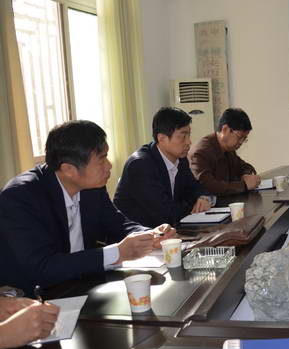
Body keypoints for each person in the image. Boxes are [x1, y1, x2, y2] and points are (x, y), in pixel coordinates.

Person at [0, 121, 175, 296]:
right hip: (33, 296)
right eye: (101, 159)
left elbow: (117, 223)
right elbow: (43, 268)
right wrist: (117, 253)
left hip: (84, 284)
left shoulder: (91, 187)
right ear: (69, 169)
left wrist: (150, 235)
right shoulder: (20, 197)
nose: (109, 165)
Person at [114, 107, 214, 227]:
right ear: (162, 138)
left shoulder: (180, 159)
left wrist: (203, 198)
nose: (189, 142)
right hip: (139, 233)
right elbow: (166, 214)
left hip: (166, 230)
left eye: (189, 135)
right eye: (183, 136)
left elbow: (195, 187)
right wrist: (194, 205)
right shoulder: (140, 165)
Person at [189, 108, 261, 196]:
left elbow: (245, 167)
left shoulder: (229, 149)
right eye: (239, 137)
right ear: (225, 129)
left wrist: (246, 175)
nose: (241, 142)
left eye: (244, 138)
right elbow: (208, 187)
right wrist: (244, 185)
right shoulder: (202, 152)